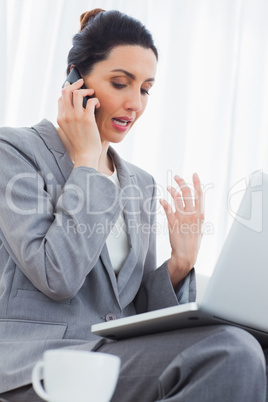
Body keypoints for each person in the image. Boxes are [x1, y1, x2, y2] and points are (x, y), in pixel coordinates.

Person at [0, 8, 266, 402]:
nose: (135, 104)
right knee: (230, 351)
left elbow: (133, 310)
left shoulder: (139, 183)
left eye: (144, 89)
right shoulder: (16, 152)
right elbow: (56, 276)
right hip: (42, 363)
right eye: (120, 83)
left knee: (253, 348)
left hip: (112, 355)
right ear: (76, 80)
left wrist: (178, 266)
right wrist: (87, 163)